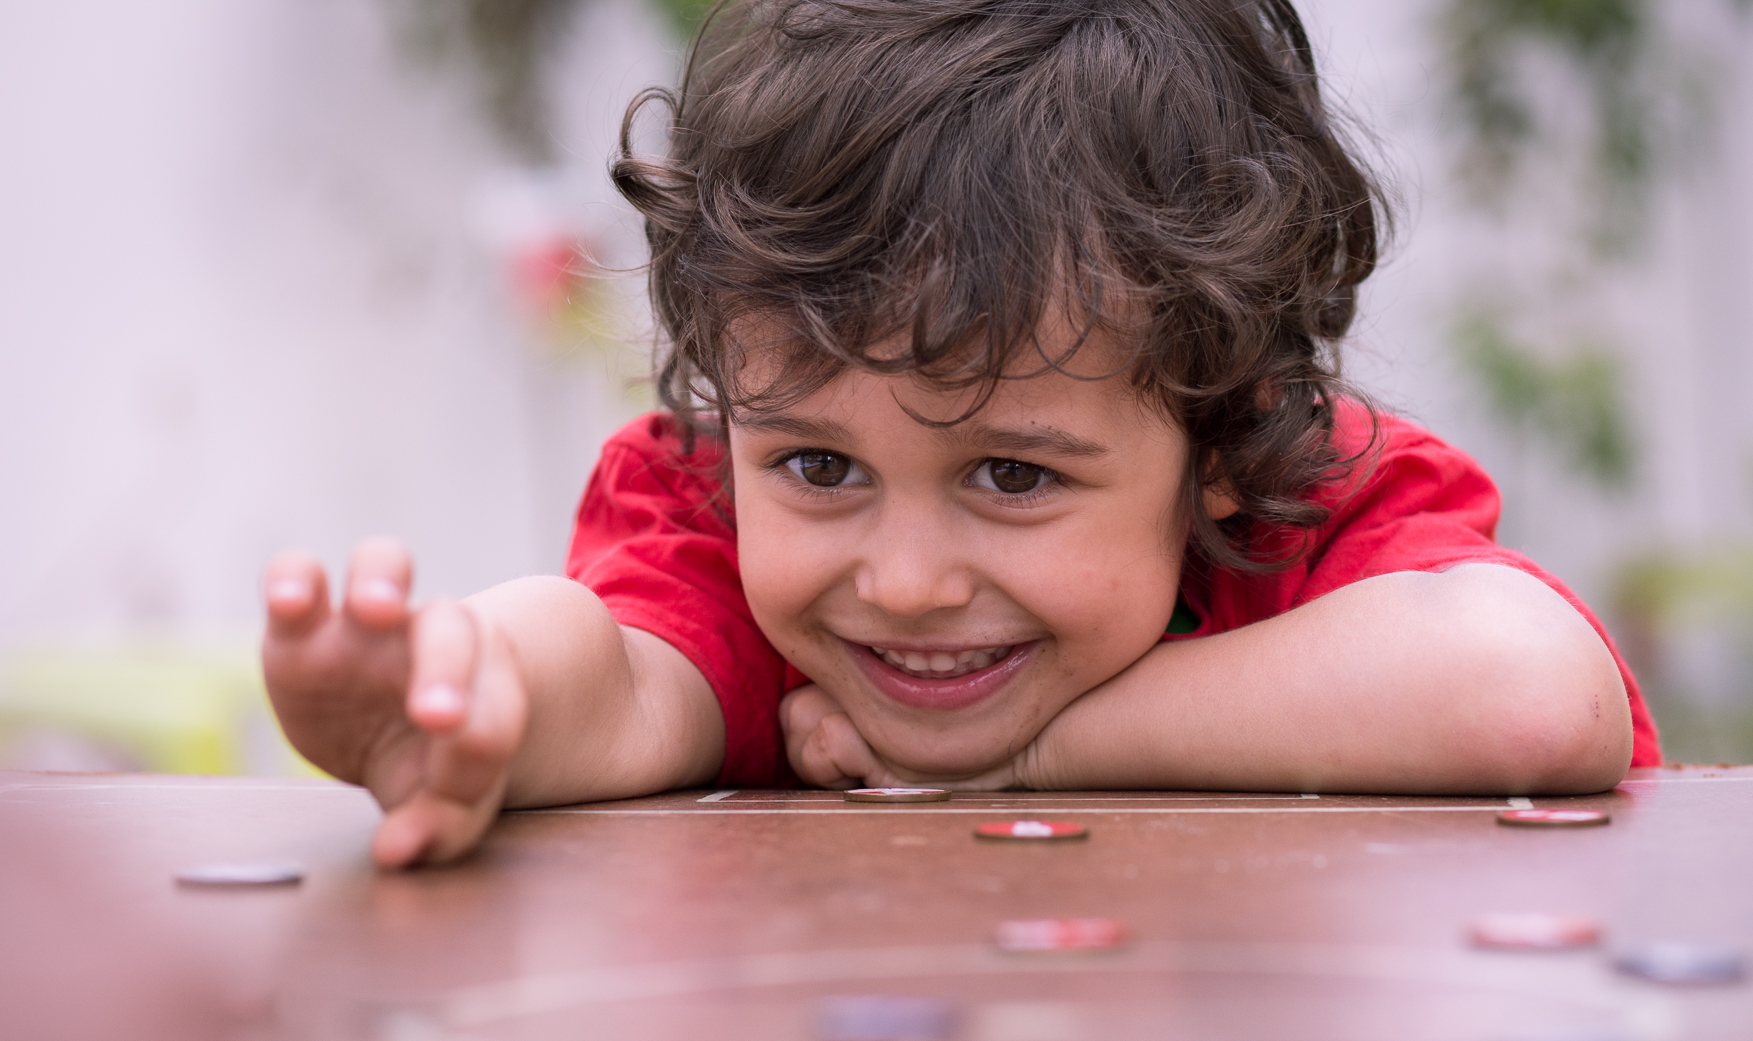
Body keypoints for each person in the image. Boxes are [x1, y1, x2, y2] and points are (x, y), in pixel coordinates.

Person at [262, 0, 1659, 869]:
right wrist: (478, 689)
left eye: (1011, 474)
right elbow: (624, 681)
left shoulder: (1305, 506)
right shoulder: (707, 513)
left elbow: (1530, 697)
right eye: (820, 466)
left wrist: (1031, 755)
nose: (906, 582)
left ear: (1226, 442)